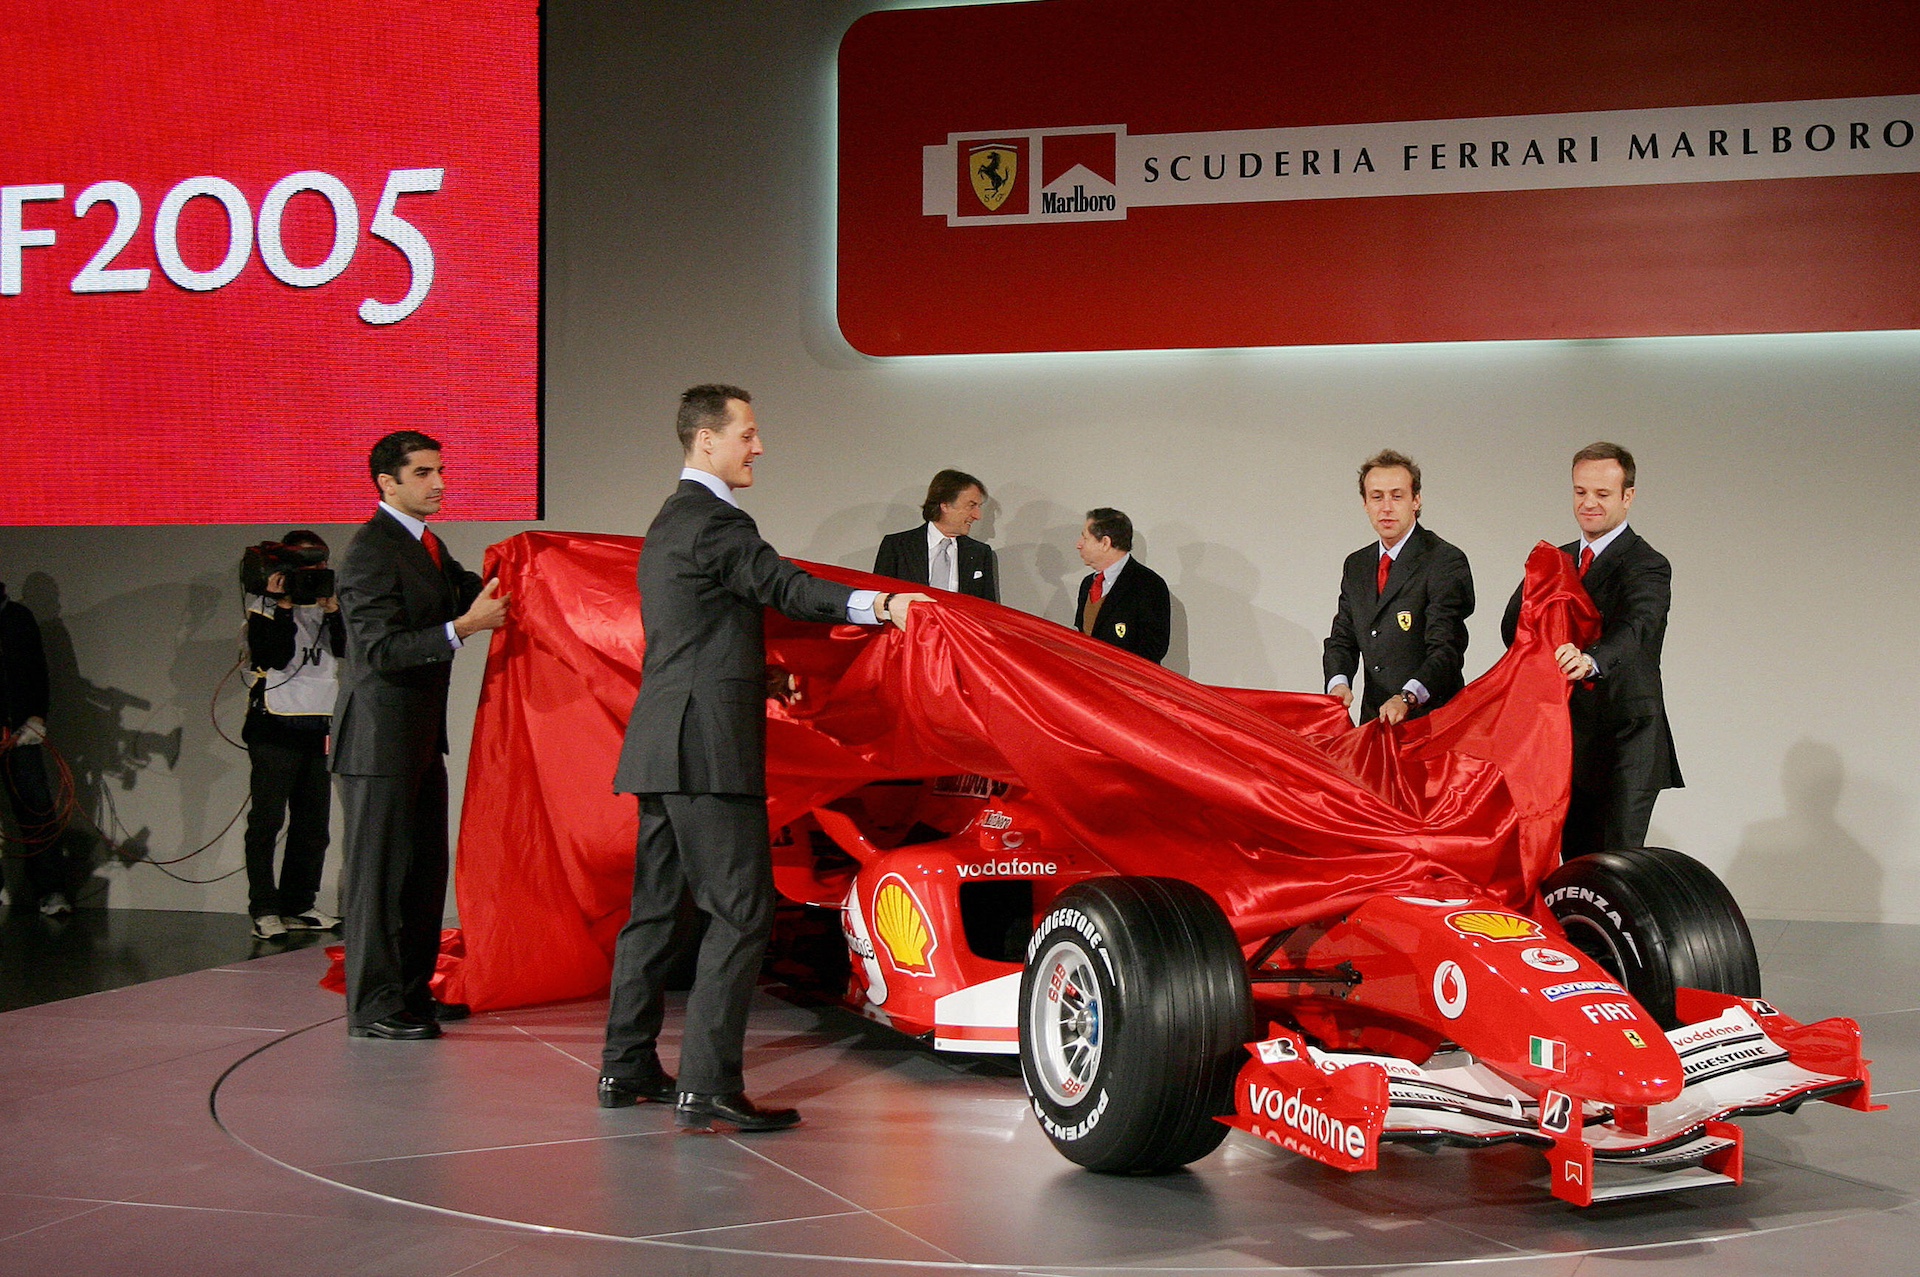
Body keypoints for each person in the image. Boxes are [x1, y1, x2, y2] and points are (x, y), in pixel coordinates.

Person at [600, 384, 929, 1133]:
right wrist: (880, 606)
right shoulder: (718, 522)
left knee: (655, 914)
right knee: (742, 911)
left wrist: (758, 671)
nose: (759, 446)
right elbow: (782, 584)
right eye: (747, 433)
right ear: (706, 441)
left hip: (661, 743)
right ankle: (708, 1085)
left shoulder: (669, 520)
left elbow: (701, 630)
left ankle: (626, 1065)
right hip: (709, 750)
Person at [332, 431, 510, 1040]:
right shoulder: (369, 552)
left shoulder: (425, 544)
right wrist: (464, 627)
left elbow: (471, 590)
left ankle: (411, 995)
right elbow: (380, 649)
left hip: (414, 741)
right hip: (377, 744)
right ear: (388, 482)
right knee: (379, 879)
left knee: (421, 871)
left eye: (441, 470)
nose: (439, 483)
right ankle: (374, 1007)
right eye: (424, 473)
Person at [1501, 441, 1681, 861]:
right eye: (1581, 492)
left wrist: (1591, 660)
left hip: (1626, 742)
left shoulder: (1648, 564)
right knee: (1574, 868)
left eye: (1602, 493)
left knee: (1617, 869)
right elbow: (1515, 627)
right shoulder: (1556, 560)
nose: (1589, 503)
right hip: (1567, 742)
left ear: (1627, 497)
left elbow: (1637, 629)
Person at [242, 531, 346, 941]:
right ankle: (264, 909)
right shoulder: (262, 607)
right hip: (274, 725)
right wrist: (283, 604)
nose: (314, 576)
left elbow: (345, 650)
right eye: (306, 569)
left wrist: (333, 610)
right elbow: (274, 657)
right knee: (267, 821)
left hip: (318, 722)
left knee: (313, 824)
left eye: (319, 568)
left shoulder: (325, 605)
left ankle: (298, 903)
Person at [1322, 450, 1475, 725]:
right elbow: (1343, 638)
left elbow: (1446, 649)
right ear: (1365, 503)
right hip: (1375, 722)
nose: (1386, 507)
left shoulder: (1445, 561)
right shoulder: (1357, 565)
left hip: (1431, 722)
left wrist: (1407, 697)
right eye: (1377, 497)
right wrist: (1338, 685)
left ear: (1416, 500)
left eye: (1397, 496)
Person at [0, 573, 70, 916]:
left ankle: (50, 889)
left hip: (19, 731)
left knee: (37, 808)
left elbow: (36, 672)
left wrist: (37, 718)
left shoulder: (17, 617)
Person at [873, 469, 1001, 601]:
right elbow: (879, 601)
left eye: (979, 507)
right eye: (971, 506)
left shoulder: (980, 553)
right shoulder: (896, 546)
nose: (977, 516)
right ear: (945, 505)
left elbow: (988, 611)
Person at [1072, 508, 1170, 664]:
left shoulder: (1148, 584)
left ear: (1105, 543)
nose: (1079, 544)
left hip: (1124, 684)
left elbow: (1153, 649)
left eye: (1085, 538)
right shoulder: (1087, 584)